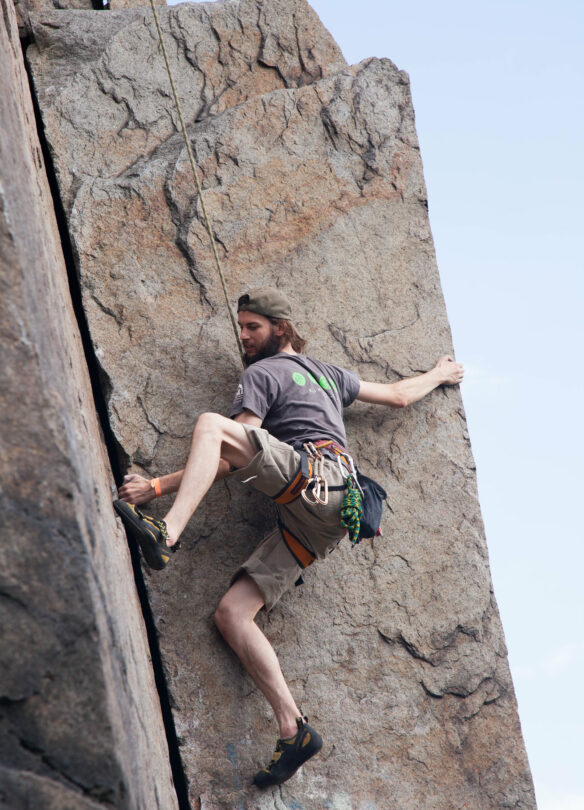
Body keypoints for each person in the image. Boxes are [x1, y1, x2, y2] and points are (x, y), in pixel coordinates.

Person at [113, 287, 464, 788]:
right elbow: (399, 395)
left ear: (281, 327)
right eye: (241, 327)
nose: (243, 336)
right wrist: (441, 373)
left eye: (252, 327)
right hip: (332, 514)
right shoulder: (330, 374)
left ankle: (166, 533)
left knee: (212, 426)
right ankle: (293, 728)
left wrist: (155, 488)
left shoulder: (261, 374)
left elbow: (228, 455)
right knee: (232, 614)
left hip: (313, 482)